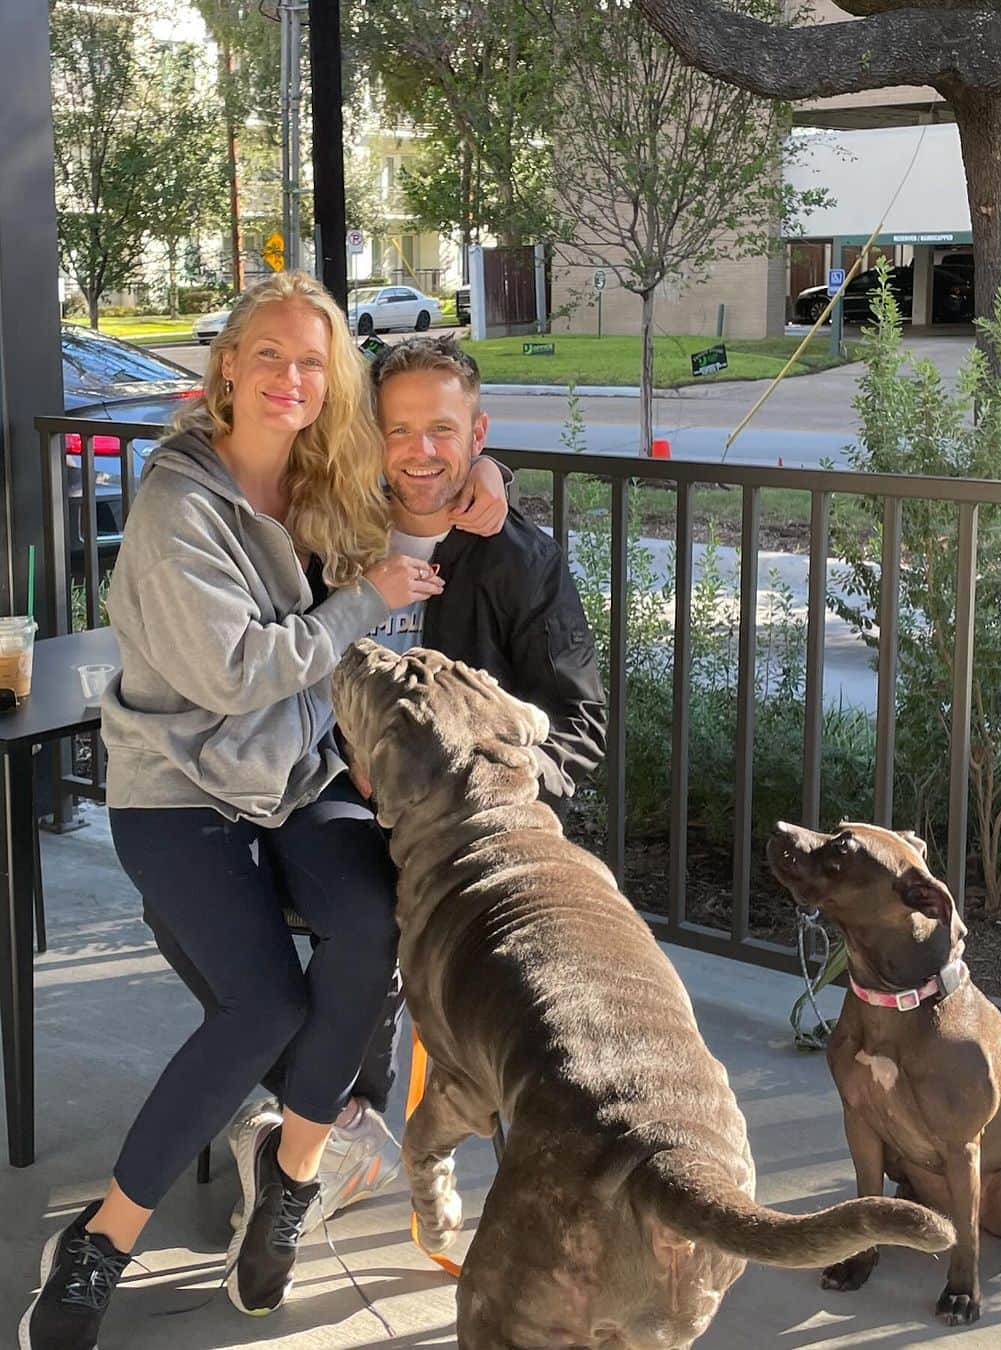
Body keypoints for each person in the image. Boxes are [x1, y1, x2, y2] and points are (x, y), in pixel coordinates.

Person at [19, 276, 509, 1350]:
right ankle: (100, 1244)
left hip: (291, 774)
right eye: (271, 357)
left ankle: (289, 1179)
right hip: (180, 790)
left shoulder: (321, 475)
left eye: (313, 362)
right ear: (227, 366)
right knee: (263, 1010)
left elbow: (421, 494)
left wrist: (483, 475)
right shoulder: (176, 506)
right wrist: (364, 600)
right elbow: (244, 670)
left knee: (373, 921)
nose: (294, 379)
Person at [229, 333, 607, 1229]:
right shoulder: (326, 530)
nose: (423, 452)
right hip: (325, 786)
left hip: (459, 822)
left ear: (478, 433)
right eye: (400, 430)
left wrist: (484, 796)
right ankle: (328, 1113)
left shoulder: (521, 562)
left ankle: (328, 1124)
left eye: (444, 429)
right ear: (373, 434)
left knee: (447, 933)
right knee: (250, 906)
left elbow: (581, 728)